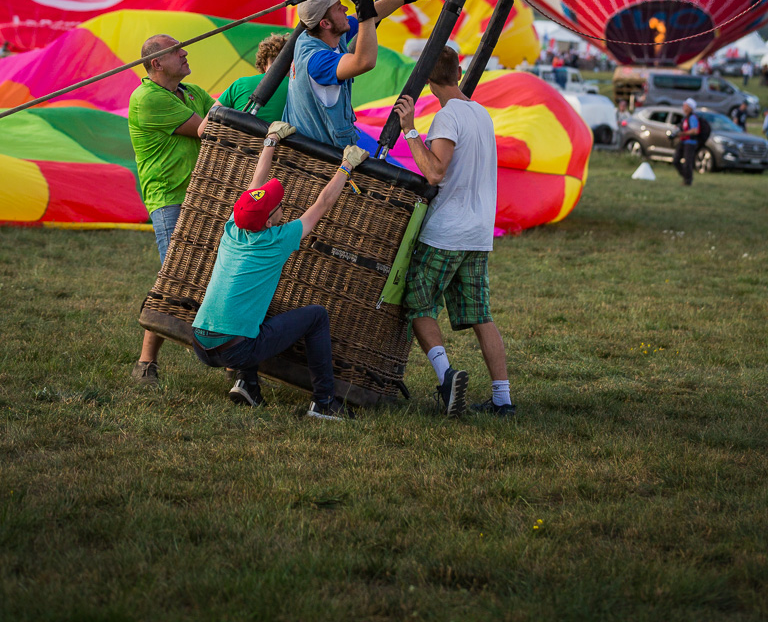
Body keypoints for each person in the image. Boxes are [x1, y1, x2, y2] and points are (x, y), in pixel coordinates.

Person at [191, 121, 369, 420]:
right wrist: (347, 167)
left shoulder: (233, 228)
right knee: (316, 316)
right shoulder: (278, 239)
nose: (281, 202)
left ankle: (247, 383)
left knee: (254, 307)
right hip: (234, 350)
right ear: (271, 222)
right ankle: (324, 401)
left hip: (199, 341)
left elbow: (254, 187)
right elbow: (322, 204)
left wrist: (271, 140)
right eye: (278, 205)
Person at [393, 46, 514, 420]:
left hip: (447, 232)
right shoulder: (481, 114)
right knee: (481, 314)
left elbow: (435, 172)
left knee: (416, 301)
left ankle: (447, 379)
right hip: (478, 232)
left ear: (428, 81)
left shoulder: (447, 119)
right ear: (459, 73)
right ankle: (502, 398)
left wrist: (410, 129)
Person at [128, 35, 215, 385]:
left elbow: (223, 112)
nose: (185, 53)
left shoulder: (190, 92)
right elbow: (210, 126)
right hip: (170, 199)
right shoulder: (147, 98)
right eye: (177, 51)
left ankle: (232, 361)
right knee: (176, 280)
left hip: (201, 195)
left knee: (205, 274)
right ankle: (146, 362)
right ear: (156, 64)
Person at [284, 0, 439, 148]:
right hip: (321, 157)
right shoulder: (317, 61)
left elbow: (372, 15)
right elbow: (365, 61)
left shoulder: (313, 35)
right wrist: (363, 9)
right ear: (325, 23)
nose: (344, 9)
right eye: (338, 8)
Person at [200, 32, 289, 133]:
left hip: (237, 146)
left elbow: (202, 130)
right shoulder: (297, 89)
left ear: (264, 67)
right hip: (278, 147)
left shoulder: (240, 84)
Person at [673, 97, 700, 186]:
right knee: (676, 160)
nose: (683, 106)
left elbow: (695, 130)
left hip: (690, 142)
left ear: (690, 107)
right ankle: (686, 176)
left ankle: (688, 180)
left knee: (687, 162)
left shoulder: (692, 117)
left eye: (685, 105)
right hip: (683, 141)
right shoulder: (685, 118)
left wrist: (684, 133)